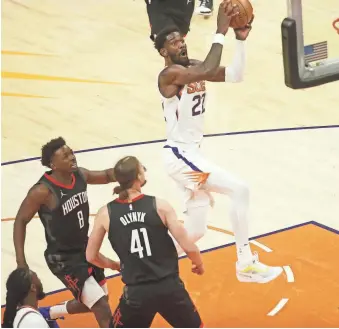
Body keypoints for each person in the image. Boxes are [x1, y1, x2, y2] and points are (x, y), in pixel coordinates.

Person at [155, 0, 283, 283]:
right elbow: (209, 66)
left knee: (196, 231)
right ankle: (245, 262)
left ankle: (150, 264)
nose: (180, 44)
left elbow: (235, 75)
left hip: (188, 156)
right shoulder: (170, 75)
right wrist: (220, 31)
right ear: (164, 52)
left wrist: (241, 40)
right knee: (239, 190)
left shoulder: (196, 67)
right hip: (179, 157)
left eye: (181, 39)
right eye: (174, 43)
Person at [13, 137, 120, 328]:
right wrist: (21, 262)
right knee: (102, 307)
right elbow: (20, 221)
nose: (72, 157)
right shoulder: (43, 191)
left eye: (71, 152)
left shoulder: (80, 175)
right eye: (66, 156)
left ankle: (50, 312)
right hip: (63, 258)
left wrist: (127, 171)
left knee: (96, 301)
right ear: (53, 164)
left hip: (85, 249)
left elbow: (106, 175)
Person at [86, 156, 204, 328]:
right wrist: (198, 263)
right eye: (142, 169)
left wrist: (114, 265)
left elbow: (90, 255)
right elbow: (188, 246)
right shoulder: (160, 206)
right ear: (138, 177)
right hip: (169, 288)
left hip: (136, 293)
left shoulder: (105, 213)